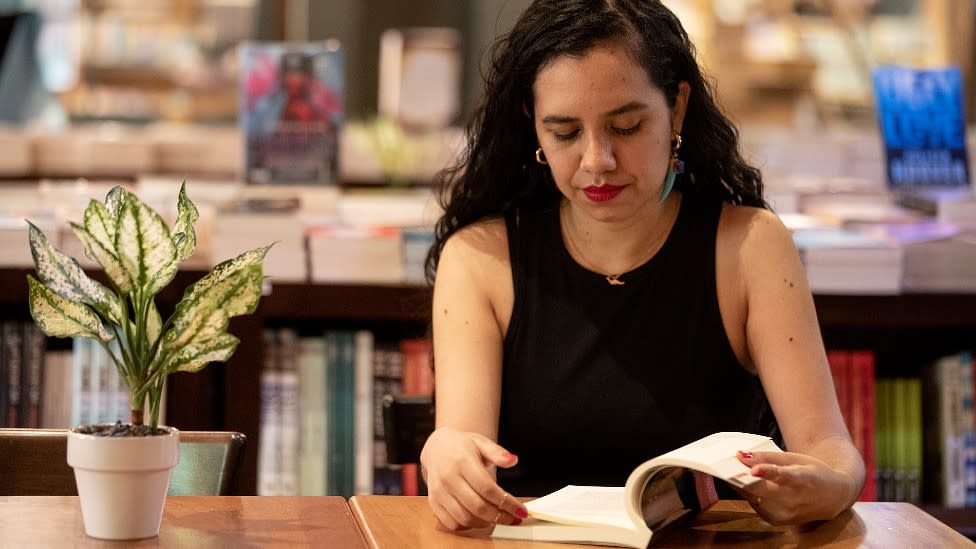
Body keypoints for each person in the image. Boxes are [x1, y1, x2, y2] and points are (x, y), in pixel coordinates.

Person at [419, 0, 865, 532]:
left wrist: (828, 486)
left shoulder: (750, 246)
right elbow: (462, 437)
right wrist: (447, 455)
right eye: (564, 133)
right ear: (532, 126)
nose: (596, 160)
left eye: (626, 126)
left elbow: (831, 451)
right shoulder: (480, 257)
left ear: (676, 109)